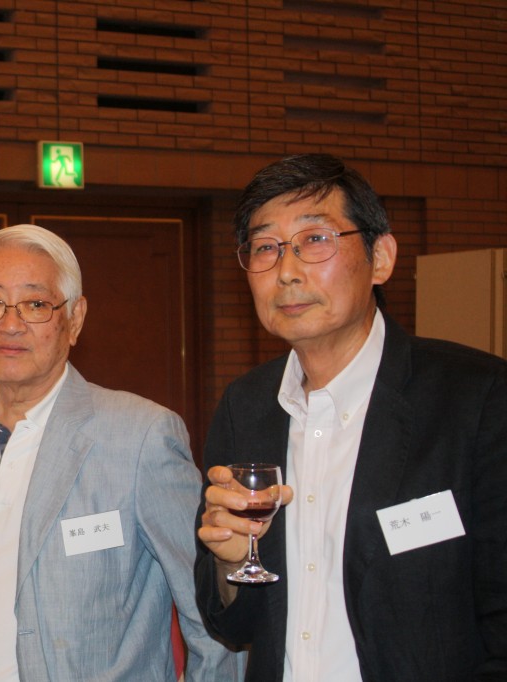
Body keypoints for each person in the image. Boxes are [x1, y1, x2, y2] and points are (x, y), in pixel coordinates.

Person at [194, 154, 507, 681]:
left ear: (380, 257)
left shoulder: (477, 399)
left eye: (315, 240)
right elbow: (235, 626)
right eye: (266, 247)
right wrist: (229, 563)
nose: (287, 271)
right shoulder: (245, 406)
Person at [0, 224, 241, 681]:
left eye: (36, 304)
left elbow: (210, 618)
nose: (10, 324)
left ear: (75, 318)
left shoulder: (140, 436)